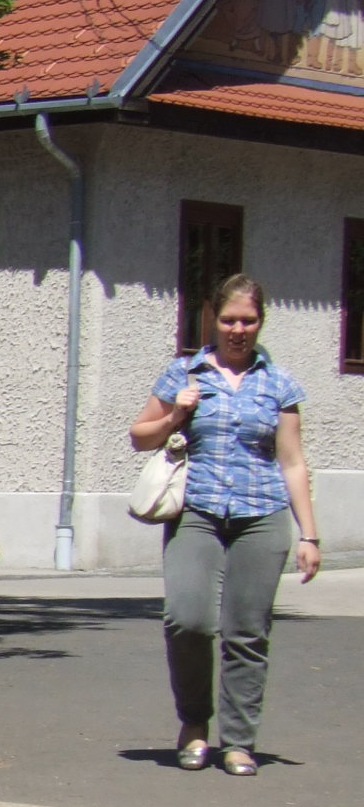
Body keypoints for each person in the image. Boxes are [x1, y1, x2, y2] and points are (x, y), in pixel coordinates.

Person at [130, 273, 324, 775]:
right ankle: (194, 722)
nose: (239, 329)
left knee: (247, 632)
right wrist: (175, 416)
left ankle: (238, 741)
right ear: (213, 320)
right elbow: (139, 435)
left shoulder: (279, 384)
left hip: (262, 515)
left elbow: (292, 462)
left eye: (248, 320)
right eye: (229, 320)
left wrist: (309, 534)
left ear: (261, 322)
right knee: (187, 619)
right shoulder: (184, 374)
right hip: (198, 512)